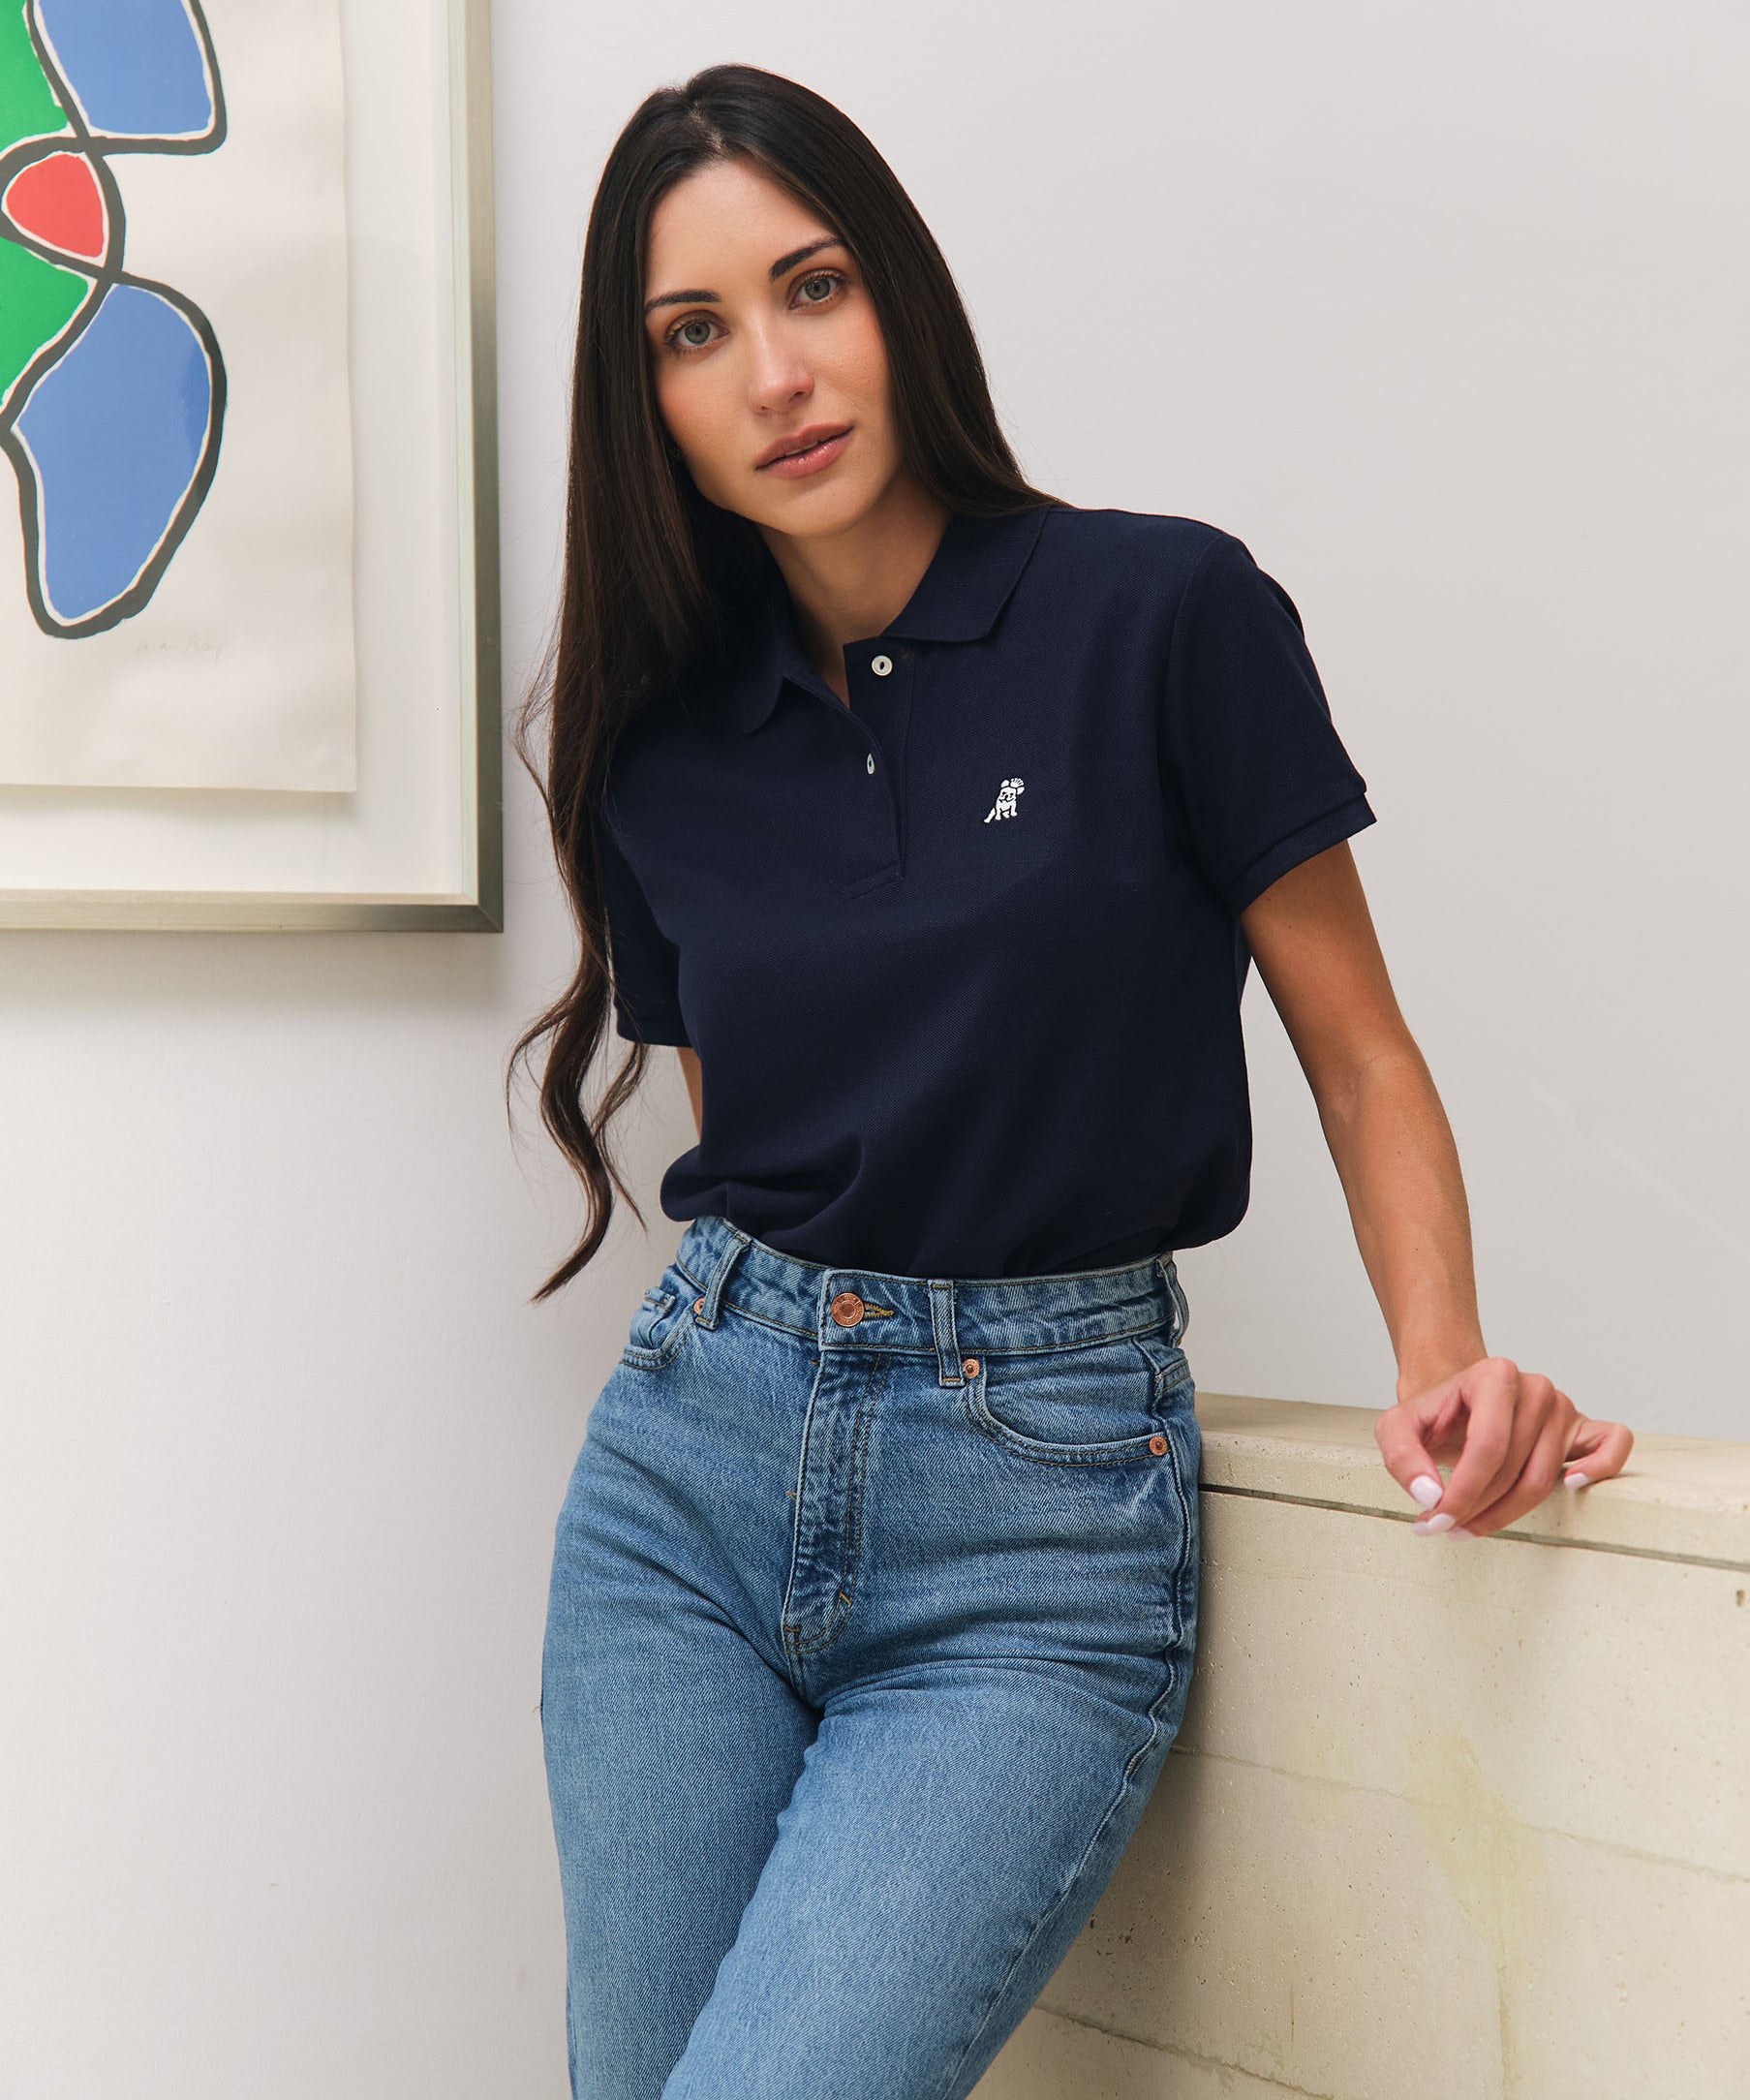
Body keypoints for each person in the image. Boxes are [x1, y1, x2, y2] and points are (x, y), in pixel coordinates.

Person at [509, 61, 1634, 2100]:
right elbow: (737, 1121)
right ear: (645, 400)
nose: (773, 371)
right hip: (687, 1482)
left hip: (1031, 1525)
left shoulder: (1161, 612)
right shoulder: (654, 743)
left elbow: (1357, 1049)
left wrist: (1442, 1352)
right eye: (694, 333)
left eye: (813, 285)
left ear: (900, 297)